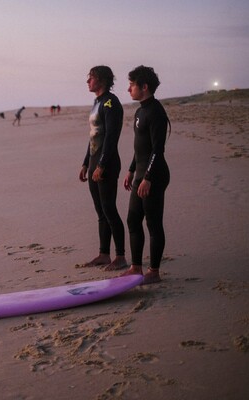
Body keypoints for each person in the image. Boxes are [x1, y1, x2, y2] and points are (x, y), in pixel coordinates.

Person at [121, 65, 170, 284]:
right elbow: (140, 147)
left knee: (152, 223)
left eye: (132, 85)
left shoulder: (156, 112)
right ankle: (135, 267)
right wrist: (132, 170)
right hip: (141, 172)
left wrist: (148, 178)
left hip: (155, 174)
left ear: (144, 86)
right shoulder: (141, 110)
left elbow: (157, 150)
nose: (129, 89)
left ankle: (154, 271)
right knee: (133, 219)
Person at [79, 66, 127, 271]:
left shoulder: (111, 102)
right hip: (94, 162)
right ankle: (104, 254)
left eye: (90, 78)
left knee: (109, 210)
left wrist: (101, 165)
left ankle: (121, 257)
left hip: (106, 164)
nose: (87, 81)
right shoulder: (97, 102)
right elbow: (94, 136)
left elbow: (111, 137)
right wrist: (85, 162)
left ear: (101, 80)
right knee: (100, 212)